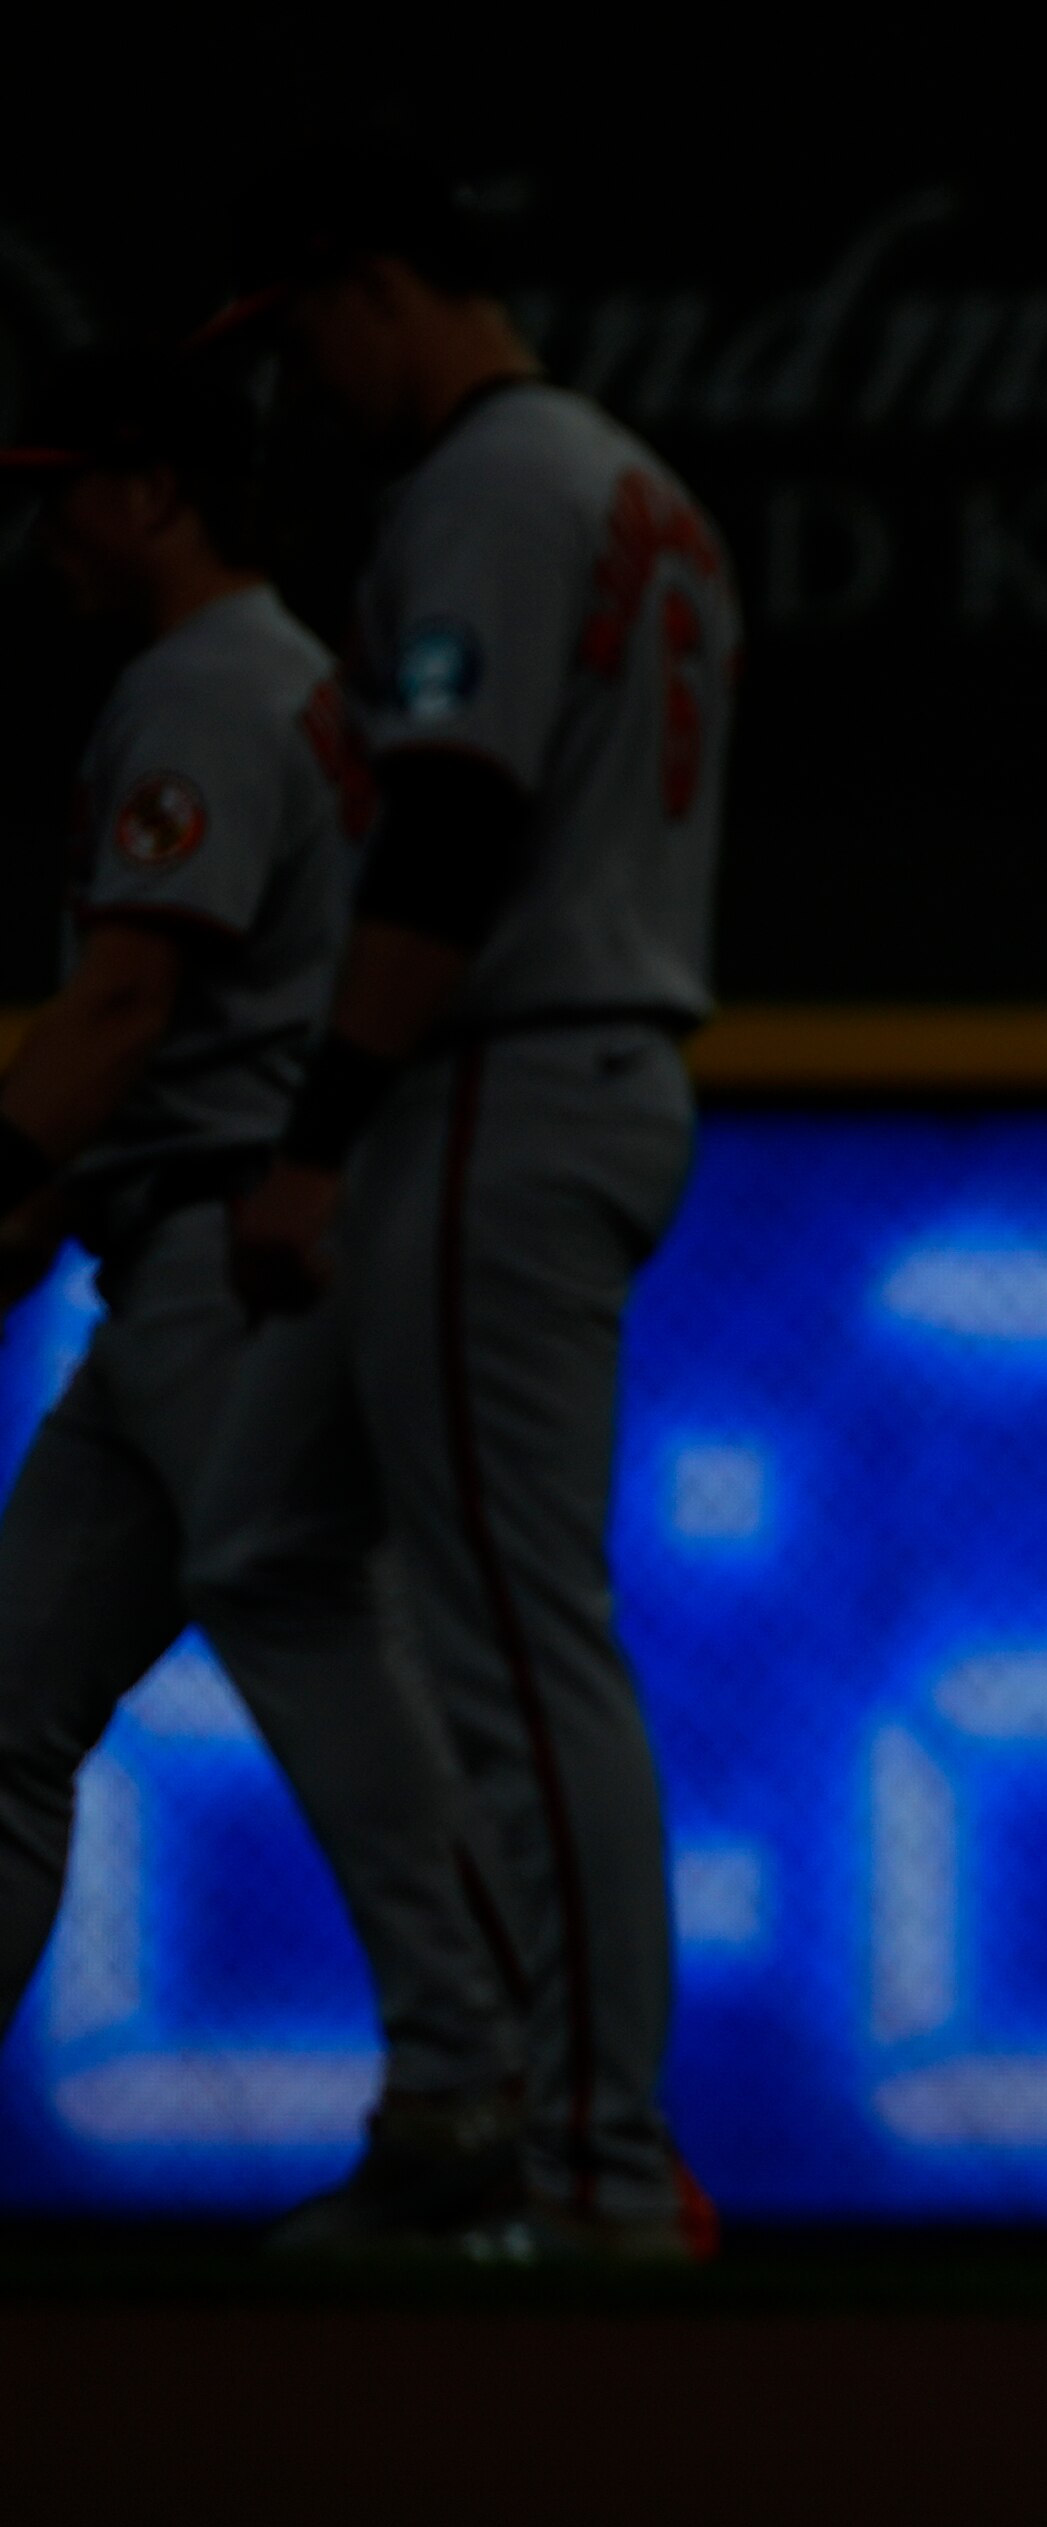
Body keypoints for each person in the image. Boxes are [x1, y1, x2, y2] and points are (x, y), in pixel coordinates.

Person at [210, 160, 738, 2259]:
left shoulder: (501, 486)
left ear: (378, 287)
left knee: (516, 1641)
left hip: (502, 1084)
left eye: (309, 323)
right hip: (528, 1082)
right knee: (260, 1537)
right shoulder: (634, 490)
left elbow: (449, 822)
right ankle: (460, 2083)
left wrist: (320, 1124)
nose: (307, 374)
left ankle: (600, 2165)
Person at [0, 342, 523, 2243]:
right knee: (9, 1711)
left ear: (147, 487)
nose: (38, 526)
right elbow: (166, 1043)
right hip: (173, 1264)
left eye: (57, 484)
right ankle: (494, 2097)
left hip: (240, 1268)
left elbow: (130, 1005)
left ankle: (491, 2103)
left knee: (326, 1660)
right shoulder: (278, 679)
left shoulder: (207, 686)